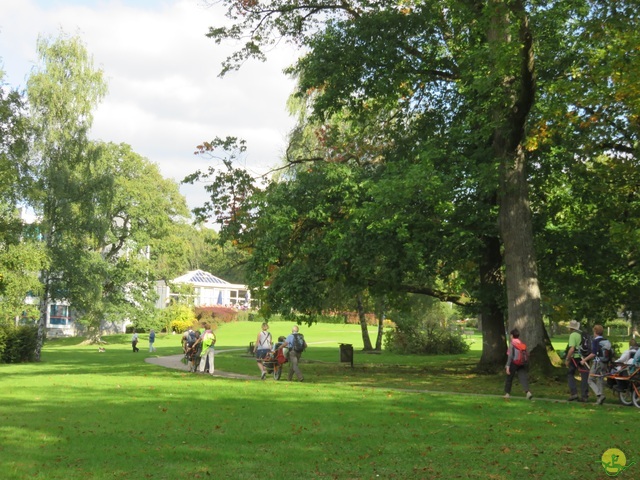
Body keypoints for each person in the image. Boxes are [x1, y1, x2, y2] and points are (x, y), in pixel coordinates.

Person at [581, 324, 607, 405]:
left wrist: (584, 360)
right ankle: (599, 400)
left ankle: (599, 394)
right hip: (604, 363)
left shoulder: (596, 341)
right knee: (600, 380)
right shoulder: (605, 340)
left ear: (595, 331)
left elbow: (593, 354)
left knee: (590, 379)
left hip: (597, 362)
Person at [503, 328, 532, 400]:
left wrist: (507, 366)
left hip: (514, 363)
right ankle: (528, 392)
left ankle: (507, 393)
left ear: (512, 335)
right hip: (522, 363)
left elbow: (510, 356)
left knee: (509, 378)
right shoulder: (521, 343)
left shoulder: (512, 344)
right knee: (523, 377)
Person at [565, 320, 589, 402]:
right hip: (585, 357)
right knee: (584, 376)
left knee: (570, 374)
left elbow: (572, 349)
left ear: (571, 328)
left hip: (575, 357)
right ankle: (584, 395)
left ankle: (574, 393)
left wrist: (567, 359)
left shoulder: (573, 335)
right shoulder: (583, 334)